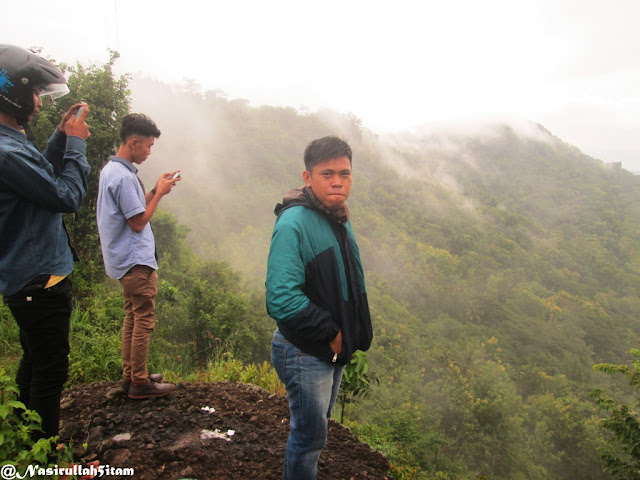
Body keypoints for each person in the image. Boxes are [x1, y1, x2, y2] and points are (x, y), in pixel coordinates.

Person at [266, 135, 374, 479]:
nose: (338, 181)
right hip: (305, 350)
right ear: (307, 177)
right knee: (309, 436)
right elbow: (280, 297)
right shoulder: (294, 223)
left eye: (345, 173)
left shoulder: (336, 216)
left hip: (328, 348)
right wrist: (330, 332)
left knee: (316, 431)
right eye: (327, 174)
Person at [0, 44, 90, 440]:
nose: (39, 102)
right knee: (51, 371)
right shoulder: (6, 153)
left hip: (30, 280)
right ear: (12, 92)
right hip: (40, 282)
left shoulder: (12, 140)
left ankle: (21, 436)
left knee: (35, 361)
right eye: (34, 92)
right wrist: (76, 144)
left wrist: (57, 136)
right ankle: (46, 460)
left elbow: (42, 178)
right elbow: (65, 196)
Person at [96, 113, 179, 400]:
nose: (149, 151)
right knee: (143, 318)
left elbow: (131, 209)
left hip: (123, 260)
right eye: (148, 146)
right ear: (133, 143)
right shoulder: (123, 177)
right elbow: (138, 221)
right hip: (135, 260)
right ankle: (140, 383)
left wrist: (157, 190)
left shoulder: (113, 171)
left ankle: (132, 374)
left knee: (132, 315)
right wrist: (158, 196)